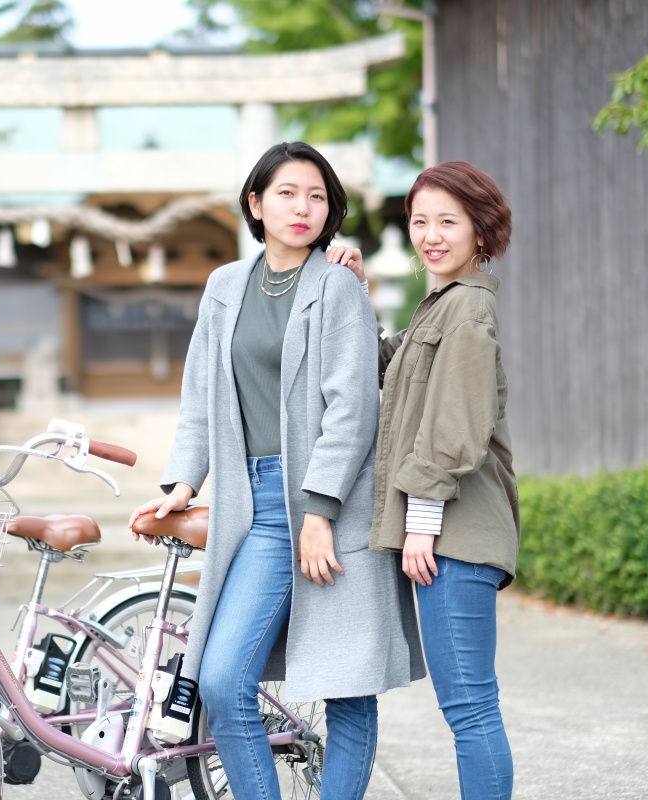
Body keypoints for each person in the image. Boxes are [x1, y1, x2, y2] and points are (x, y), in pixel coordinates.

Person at [129, 141, 425, 800]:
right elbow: (202, 394)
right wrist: (181, 484)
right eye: (288, 193)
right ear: (256, 204)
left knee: (346, 683)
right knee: (221, 676)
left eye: (317, 196)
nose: (304, 207)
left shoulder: (338, 286)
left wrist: (318, 512)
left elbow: (352, 409)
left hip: (336, 504)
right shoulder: (224, 286)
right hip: (257, 507)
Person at [346, 160, 519, 800]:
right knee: (469, 705)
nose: (431, 235)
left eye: (448, 220)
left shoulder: (469, 311)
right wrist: (356, 297)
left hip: (455, 535)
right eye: (420, 221)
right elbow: (390, 377)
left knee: (470, 707)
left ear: (481, 228)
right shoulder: (440, 307)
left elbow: (457, 430)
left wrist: (421, 521)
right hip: (448, 534)